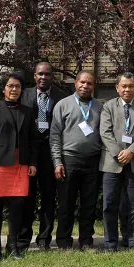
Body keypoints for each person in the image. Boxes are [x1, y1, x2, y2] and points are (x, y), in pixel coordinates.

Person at [0, 73, 38, 261]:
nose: (14, 90)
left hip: (21, 164)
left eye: (18, 86)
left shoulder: (28, 111)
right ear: (3, 88)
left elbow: (33, 140)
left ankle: (13, 246)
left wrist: (33, 162)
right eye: (11, 86)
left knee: (17, 206)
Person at [17, 62, 68, 251]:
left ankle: (44, 238)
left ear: (52, 76)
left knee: (48, 198)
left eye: (47, 74)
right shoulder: (24, 95)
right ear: (34, 76)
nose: (43, 77)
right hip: (29, 153)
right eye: (40, 74)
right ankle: (23, 238)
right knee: (26, 197)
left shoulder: (62, 98)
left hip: (50, 153)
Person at [50, 71, 103, 250]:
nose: (85, 86)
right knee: (66, 202)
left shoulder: (99, 107)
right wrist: (57, 162)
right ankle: (64, 241)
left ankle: (86, 240)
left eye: (89, 83)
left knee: (89, 203)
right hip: (69, 159)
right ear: (75, 84)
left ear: (93, 86)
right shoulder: (62, 105)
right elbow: (55, 136)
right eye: (82, 82)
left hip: (93, 161)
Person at [100, 72, 134, 251]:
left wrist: (131, 151)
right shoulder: (108, 106)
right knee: (109, 205)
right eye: (124, 86)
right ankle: (110, 243)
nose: (127, 89)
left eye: (131, 86)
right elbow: (105, 133)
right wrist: (118, 153)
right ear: (117, 88)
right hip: (112, 163)